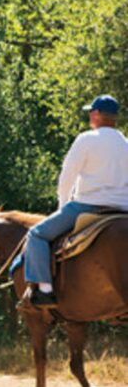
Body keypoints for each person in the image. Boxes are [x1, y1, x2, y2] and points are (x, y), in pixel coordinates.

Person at [19, 95, 128, 310]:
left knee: (36, 234)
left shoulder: (86, 139)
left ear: (97, 114)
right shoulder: (126, 143)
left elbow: (67, 176)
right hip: (123, 209)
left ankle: (44, 290)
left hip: (87, 206)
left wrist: (62, 207)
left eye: (91, 112)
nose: (89, 116)